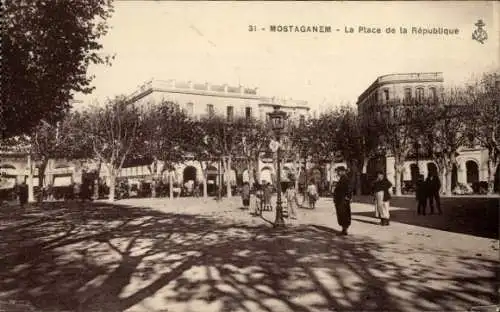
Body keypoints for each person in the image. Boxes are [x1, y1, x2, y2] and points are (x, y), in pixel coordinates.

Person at [333, 166, 352, 235]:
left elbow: (349, 188)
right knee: (342, 214)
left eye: (338, 171)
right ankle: (344, 229)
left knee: (344, 214)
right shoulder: (342, 178)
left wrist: (348, 197)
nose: (337, 172)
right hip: (340, 199)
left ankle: (344, 230)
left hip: (342, 200)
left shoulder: (345, 179)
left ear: (342, 171)